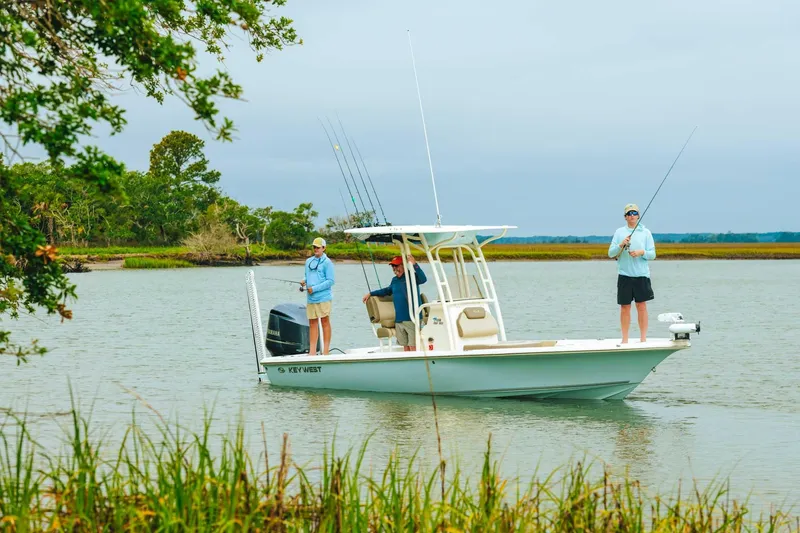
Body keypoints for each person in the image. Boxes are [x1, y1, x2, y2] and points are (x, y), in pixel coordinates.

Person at [608, 203, 656, 344]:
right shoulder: (619, 232)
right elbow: (611, 253)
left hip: (641, 275)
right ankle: (625, 339)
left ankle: (643, 338)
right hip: (624, 275)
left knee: (641, 306)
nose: (632, 216)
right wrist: (621, 244)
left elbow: (652, 254)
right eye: (629, 214)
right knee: (625, 307)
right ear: (625, 217)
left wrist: (642, 252)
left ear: (638, 216)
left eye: (634, 213)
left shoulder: (645, 232)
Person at [361, 255, 427, 351]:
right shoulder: (394, 280)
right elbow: (387, 290)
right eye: (393, 266)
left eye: (397, 266)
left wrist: (415, 264)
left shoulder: (411, 276)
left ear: (403, 266)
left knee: (413, 345)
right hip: (399, 319)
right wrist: (371, 293)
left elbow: (423, 279)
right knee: (405, 345)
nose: (395, 269)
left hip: (412, 318)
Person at [300, 237, 334, 355]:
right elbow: (307, 275)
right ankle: (312, 351)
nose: (316, 249)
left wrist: (314, 288)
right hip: (311, 298)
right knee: (312, 323)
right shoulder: (308, 261)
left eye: (318, 247)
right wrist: (304, 281)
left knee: (325, 321)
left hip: (324, 297)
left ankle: (326, 351)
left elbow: (330, 281)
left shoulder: (327, 262)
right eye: (314, 247)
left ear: (324, 248)